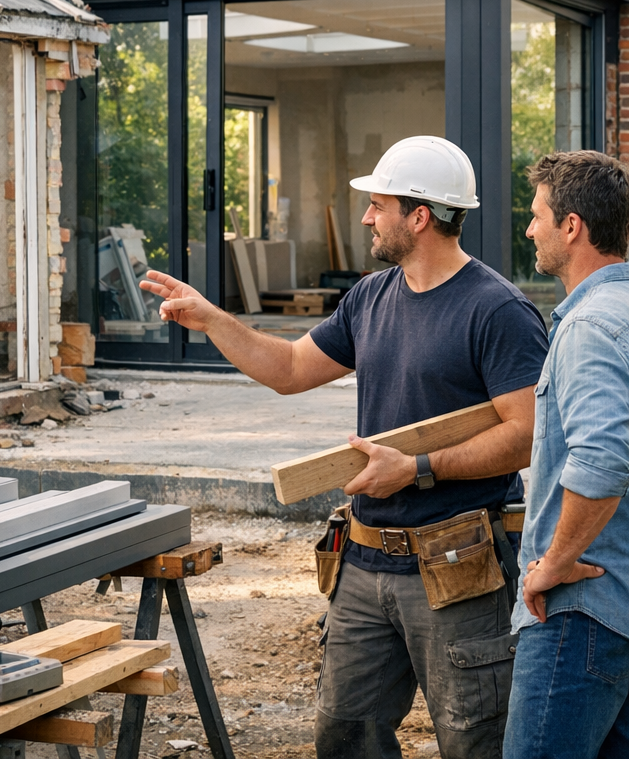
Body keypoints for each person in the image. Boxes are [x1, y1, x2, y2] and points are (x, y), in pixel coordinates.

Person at [141, 136, 549, 759]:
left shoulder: (496, 310)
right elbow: (291, 369)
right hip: (362, 563)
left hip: (456, 568)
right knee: (345, 736)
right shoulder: (372, 296)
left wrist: (416, 469)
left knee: (475, 740)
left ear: (419, 216)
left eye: (378, 204)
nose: (365, 218)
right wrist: (213, 320)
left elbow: (525, 435)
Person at [504, 151, 629, 759]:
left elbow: (603, 460)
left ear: (572, 226)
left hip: (579, 613)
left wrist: (554, 562)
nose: (530, 229)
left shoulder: (587, 328)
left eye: (537, 216)